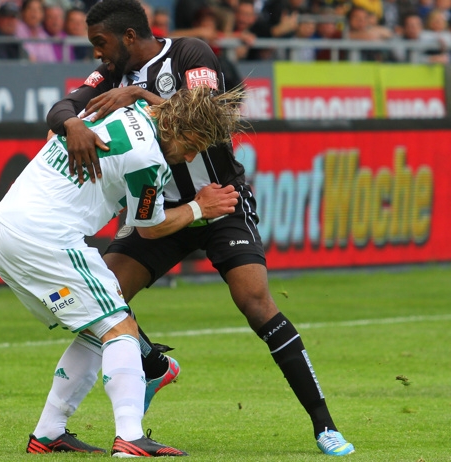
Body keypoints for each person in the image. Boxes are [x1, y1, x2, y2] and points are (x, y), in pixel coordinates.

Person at [46, 0, 355, 456]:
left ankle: (324, 426)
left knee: (255, 302)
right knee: (102, 299)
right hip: (158, 210)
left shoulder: (190, 53)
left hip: (218, 202)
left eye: (101, 43)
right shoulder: (111, 74)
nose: (98, 54)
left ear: (129, 36)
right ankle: (151, 363)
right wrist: (72, 122)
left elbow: (204, 115)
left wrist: (138, 97)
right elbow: (63, 105)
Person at [0, 84, 244, 456]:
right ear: (177, 128)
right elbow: (150, 227)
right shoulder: (147, 158)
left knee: (99, 326)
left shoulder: (118, 110)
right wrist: (200, 207)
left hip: (4, 229)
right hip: (45, 237)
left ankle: (48, 433)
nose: (189, 156)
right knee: (120, 326)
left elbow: (56, 126)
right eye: (192, 145)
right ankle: (130, 437)